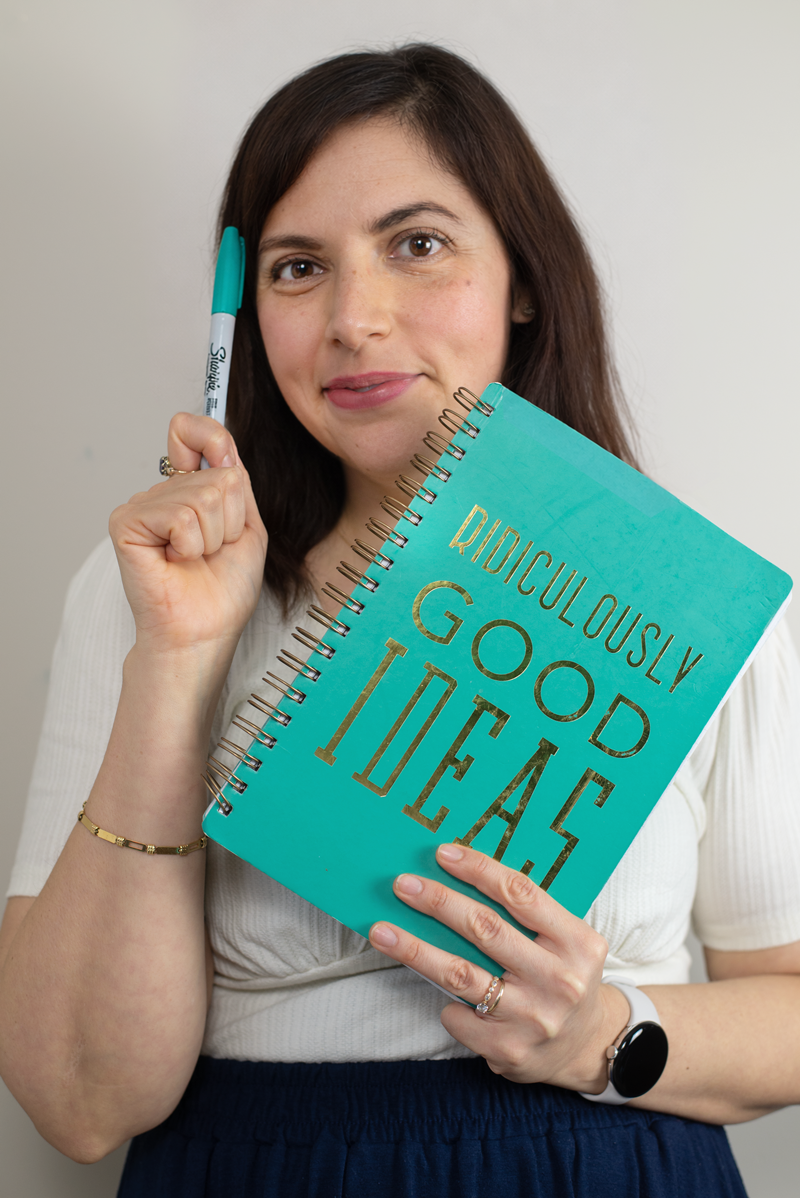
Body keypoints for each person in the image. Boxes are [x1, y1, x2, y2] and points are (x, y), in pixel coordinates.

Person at [1, 43, 799, 1198]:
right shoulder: (141, 584)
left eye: (415, 245)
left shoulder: (690, 599)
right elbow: (78, 1104)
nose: (353, 319)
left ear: (521, 278)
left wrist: (601, 1034)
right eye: (296, 267)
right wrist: (176, 660)